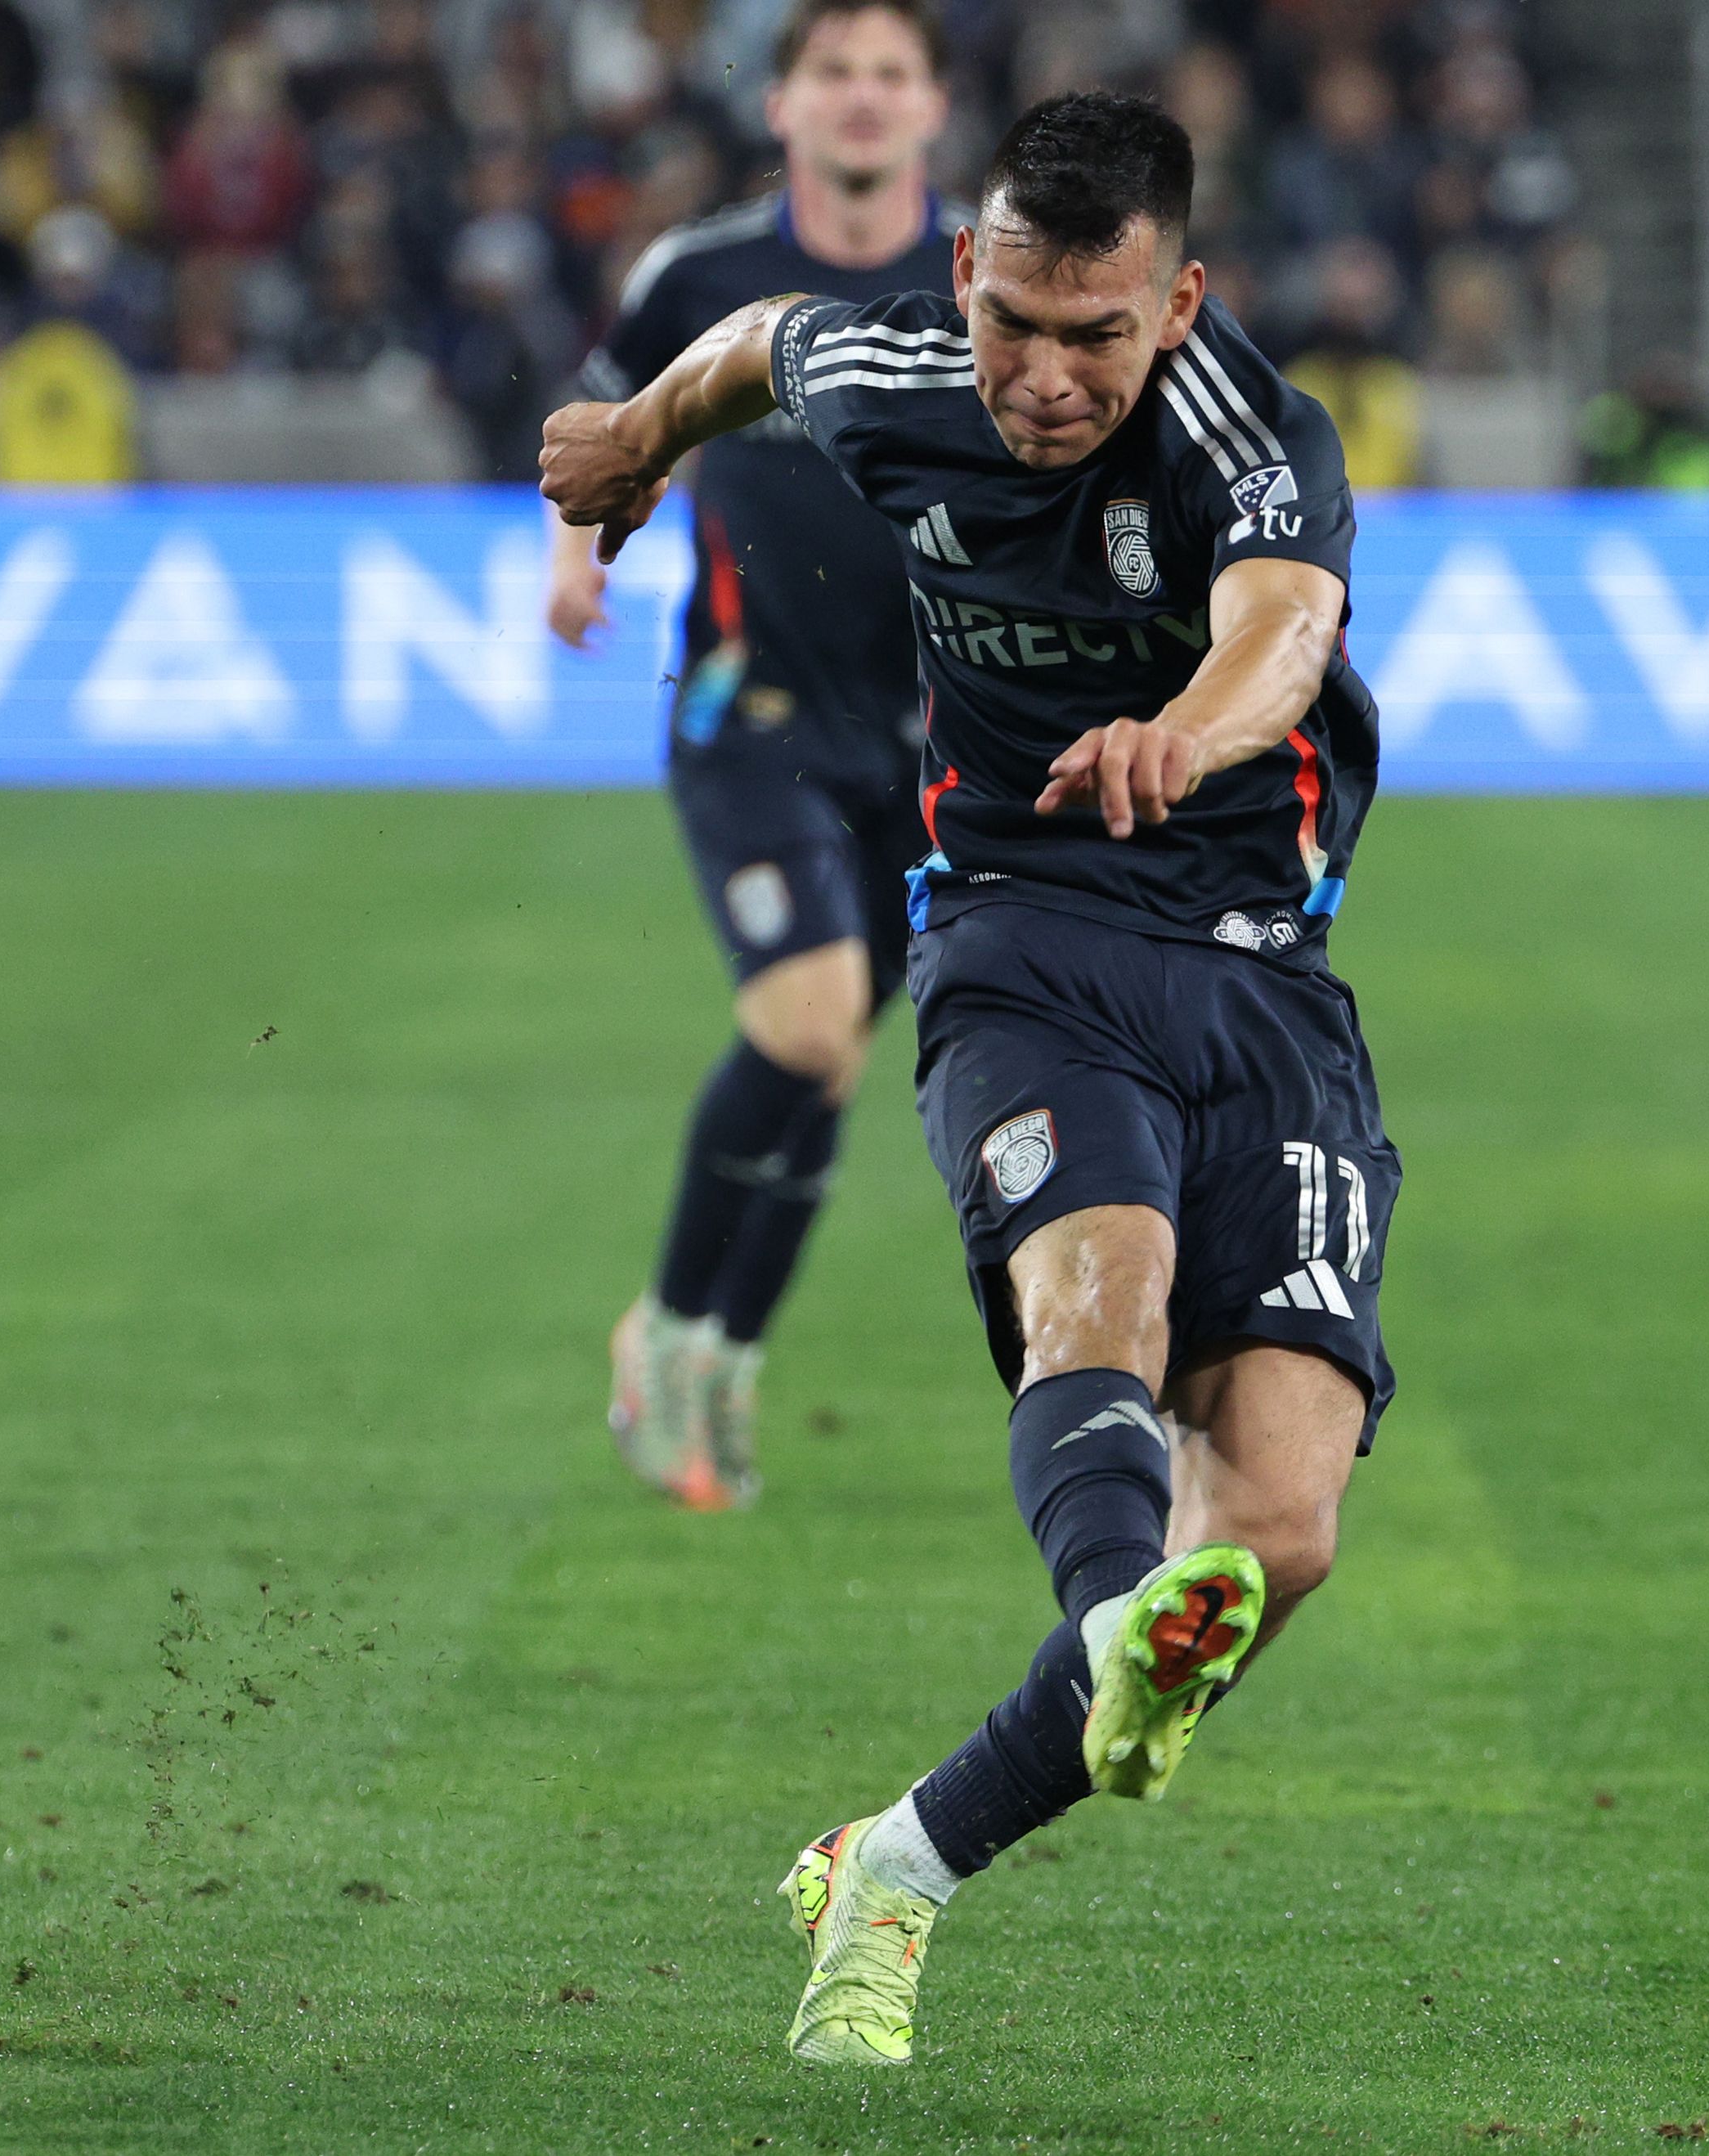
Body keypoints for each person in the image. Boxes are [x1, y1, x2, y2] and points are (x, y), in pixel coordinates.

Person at [540, 88, 1392, 2069]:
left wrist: (1185, 731)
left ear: (1177, 305)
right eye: (1012, 320)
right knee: (1098, 1298)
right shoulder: (898, 373)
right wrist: (638, 440)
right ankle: (1116, 1617)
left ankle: (899, 1859)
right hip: (1021, 937)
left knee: (1278, 1532)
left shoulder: (1250, 438)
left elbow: (1284, 632)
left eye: (1097, 334)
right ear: (961, 276)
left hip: (1264, 979)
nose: (1045, 376)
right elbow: (757, 345)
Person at [554, 0, 956, 1511]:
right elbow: (609, 419)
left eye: (889, 74)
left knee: (833, 1058)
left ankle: (729, 1350)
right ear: (781, 107)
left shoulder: (980, 282)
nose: (862, 97)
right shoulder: (701, 274)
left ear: (931, 108)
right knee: (804, 1024)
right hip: (751, 714)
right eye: (832, 72)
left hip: (934, 736)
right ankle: (664, 1326)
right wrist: (575, 552)